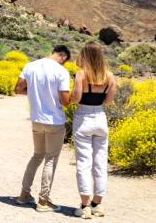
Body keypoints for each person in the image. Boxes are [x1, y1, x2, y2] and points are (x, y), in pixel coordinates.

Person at [14, 45, 72, 212]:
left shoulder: (30, 66)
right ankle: (43, 201)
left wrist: (34, 94)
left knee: (37, 156)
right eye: (65, 61)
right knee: (51, 159)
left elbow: (18, 89)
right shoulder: (61, 71)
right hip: (54, 122)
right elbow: (65, 101)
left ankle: (24, 194)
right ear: (63, 56)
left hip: (36, 120)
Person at [70, 43, 117, 219]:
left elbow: (76, 98)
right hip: (100, 118)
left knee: (83, 162)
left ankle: (84, 206)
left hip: (84, 117)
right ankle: (97, 204)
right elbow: (109, 101)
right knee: (100, 163)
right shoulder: (110, 76)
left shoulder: (81, 74)